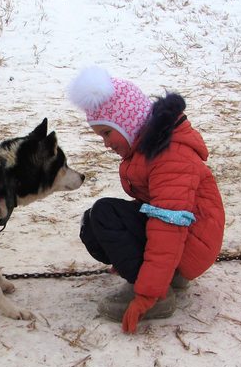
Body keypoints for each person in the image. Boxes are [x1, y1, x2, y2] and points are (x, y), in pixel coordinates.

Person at [68, 66, 225, 333]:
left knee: (105, 215)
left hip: (191, 241)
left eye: (107, 133)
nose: (106, 143)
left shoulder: (169, 156)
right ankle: (166, 275)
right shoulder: (147, 148)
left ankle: (161, 293)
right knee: (93, 223)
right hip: (187, 237)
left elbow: (169, 225)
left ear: (126, 123)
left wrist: (148, 295)